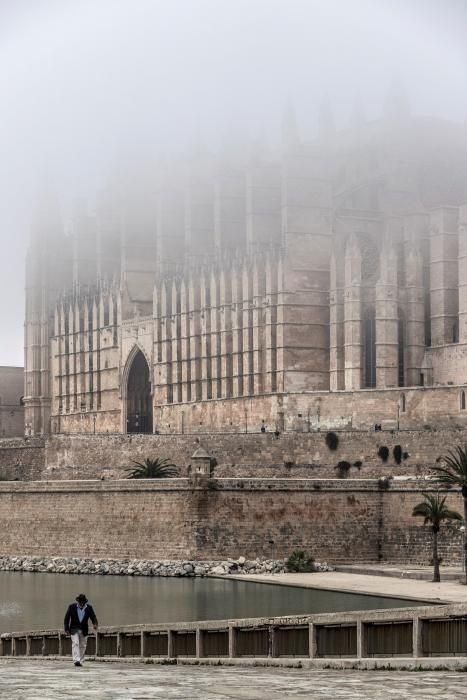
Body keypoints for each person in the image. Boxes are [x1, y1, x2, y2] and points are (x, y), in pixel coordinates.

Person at [64, 593, 98, 667]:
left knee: (83, 645)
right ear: (78, 601)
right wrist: (66, 628)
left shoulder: (89, 608)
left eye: (83, 602)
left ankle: (81, 660)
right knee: (75, 643)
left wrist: (95, 624)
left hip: (84, 630)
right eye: (80, 602)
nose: (81, 603)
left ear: (85, 602)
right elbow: (66, 618)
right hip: (74, 629)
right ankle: (76, 660)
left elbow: (93, 617)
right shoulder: (72, 607)